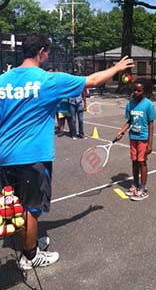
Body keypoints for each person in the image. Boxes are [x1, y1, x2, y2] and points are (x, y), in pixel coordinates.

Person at [0, 31, 134, 270]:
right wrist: (116, 68)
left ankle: (28, 242)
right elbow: (92, 80)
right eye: (48, 53)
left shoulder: (3, 80)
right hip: (32, 157)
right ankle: (30, 256)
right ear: (41, 52)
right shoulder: (48, 80)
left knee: (16, 205)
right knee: (32, 208)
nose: (48, 57)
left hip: (5, 156)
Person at [116, 78, 156, 201]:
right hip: (132, 137)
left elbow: (151, 124)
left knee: (142, 162)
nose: (135, 92)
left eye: (138, 90)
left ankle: (143, 188)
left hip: (143, 138)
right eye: (134, 89)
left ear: (144, 91)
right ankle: (135, 184)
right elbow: (129, 121)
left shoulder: (148, 104)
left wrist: (150, 144)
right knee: (134, 161)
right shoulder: (130, 104)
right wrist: (122, 131)